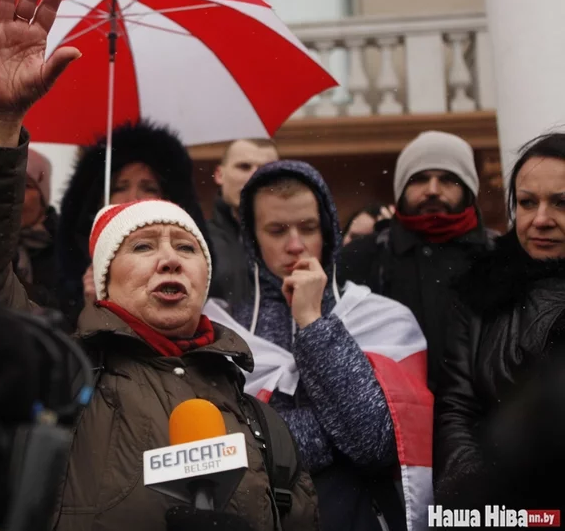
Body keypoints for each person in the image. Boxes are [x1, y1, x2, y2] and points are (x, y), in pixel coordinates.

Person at [0, 0, 318, 531]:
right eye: (141, 247)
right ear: (102, 277)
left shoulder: (258, 418)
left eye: (185, 248)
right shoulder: (57, 369)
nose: (168, 258)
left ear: (206, 276)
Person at [223, 160, 432, 531]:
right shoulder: (222, 327)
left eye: (308, 227)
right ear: (253, 241)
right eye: (276, 230)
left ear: (330, 233)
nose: (295, 245)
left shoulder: (382, 317)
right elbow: (227, 450)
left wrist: (312, 321)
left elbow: (376, 443)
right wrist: (335, 437)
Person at [435, 133, 565, 510]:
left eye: (561, 203)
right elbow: (456, 409)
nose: (541, 220)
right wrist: (488, 497)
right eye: (527, 203)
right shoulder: (481, 289)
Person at [339, 131, 494, 391]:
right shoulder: (363, 256)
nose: (432, 191)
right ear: (401, 189)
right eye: (419, 179)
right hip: (393, 414)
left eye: (448, 180)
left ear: (468, 189)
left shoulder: (499, 255)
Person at [57, 120, 213, 324]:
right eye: (120, 187)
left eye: (149, 188)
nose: (134, 198)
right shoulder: (59, 268)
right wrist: (91, 311)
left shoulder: (190, 267)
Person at [209, 138, 279, 307]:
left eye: (265, 169)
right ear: (219, 174)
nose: (254, 176)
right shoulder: (197, 238)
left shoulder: (297, 242)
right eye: (244, 167)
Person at [14, 148, 59, 307]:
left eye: (26, 185)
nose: (15, 194)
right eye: (8, 183)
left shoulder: (67, 246)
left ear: (43, 197)